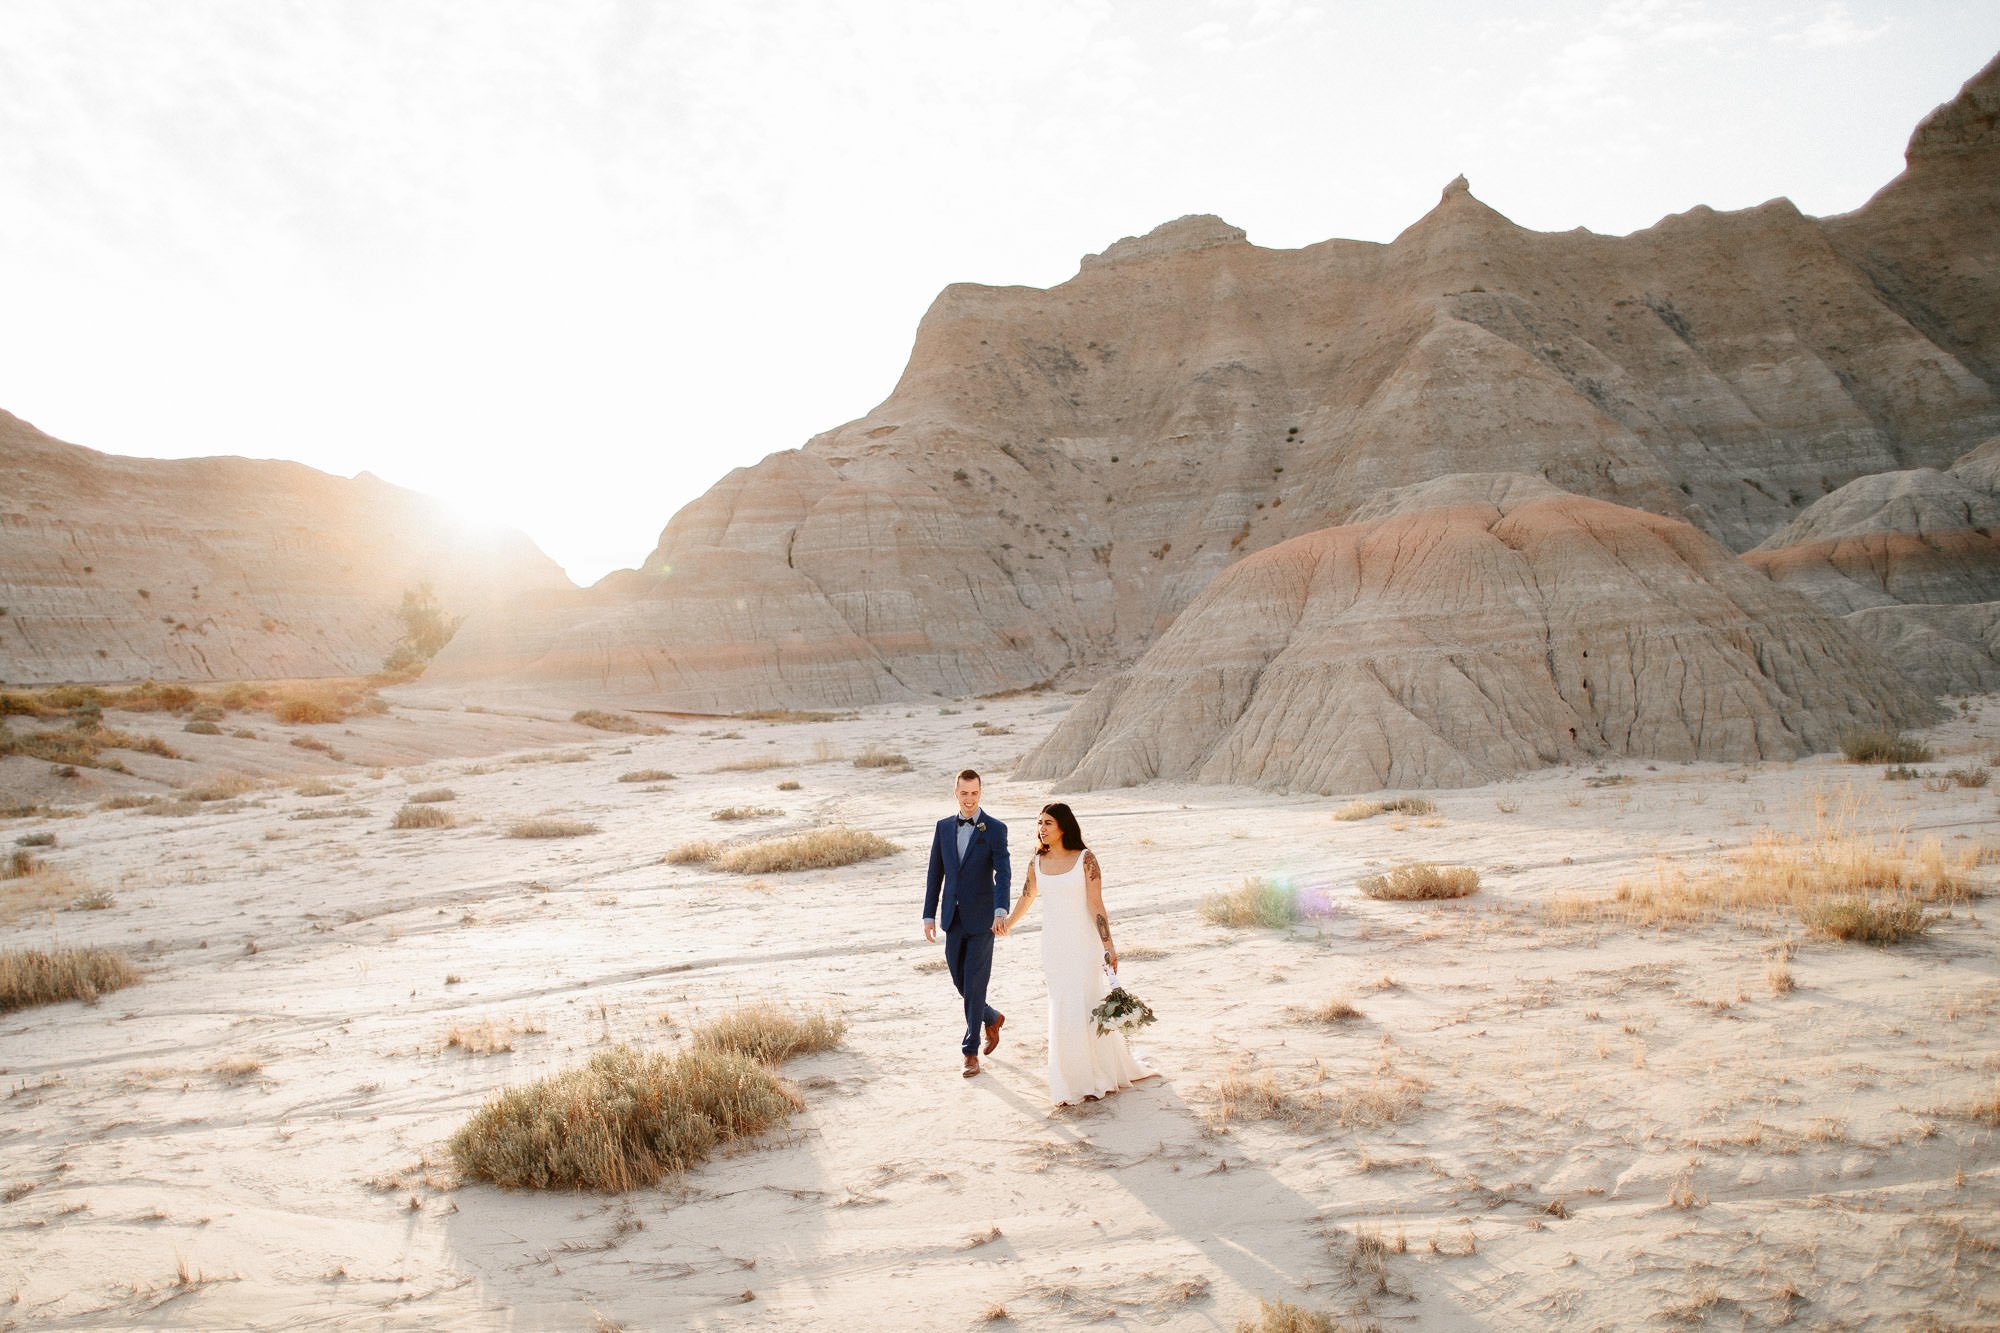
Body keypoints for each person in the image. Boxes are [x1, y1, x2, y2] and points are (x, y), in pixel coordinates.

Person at [1002, 802, 1157, 1107]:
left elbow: (1096, 905)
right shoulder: (1036, 861)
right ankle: (1069, 1080)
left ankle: (1094, 1079)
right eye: (1039, 823)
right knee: (1061, 1007)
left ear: (1063, 826)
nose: (1041, 829)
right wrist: (1007, 924)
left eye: (1047, 823)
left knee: (1085, 1005)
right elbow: (1026, 896)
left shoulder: (1085, 859)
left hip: (1084, 944)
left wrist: (1109, 945)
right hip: (1053, 946)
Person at [923, 769, 1010, 1078]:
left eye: (974, 793)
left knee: (974, 983)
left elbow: (1003, 873)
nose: (969, 799)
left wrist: (1001, 910)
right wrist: (928, 914)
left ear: (980, 793)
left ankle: (970, 1052)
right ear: (955, 793)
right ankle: (992, 1016)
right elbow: (936, 873)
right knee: (961, 982)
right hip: (952, 918)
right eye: (964, 793)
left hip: (984, 920)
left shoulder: (995, 829)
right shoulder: (943, 828)